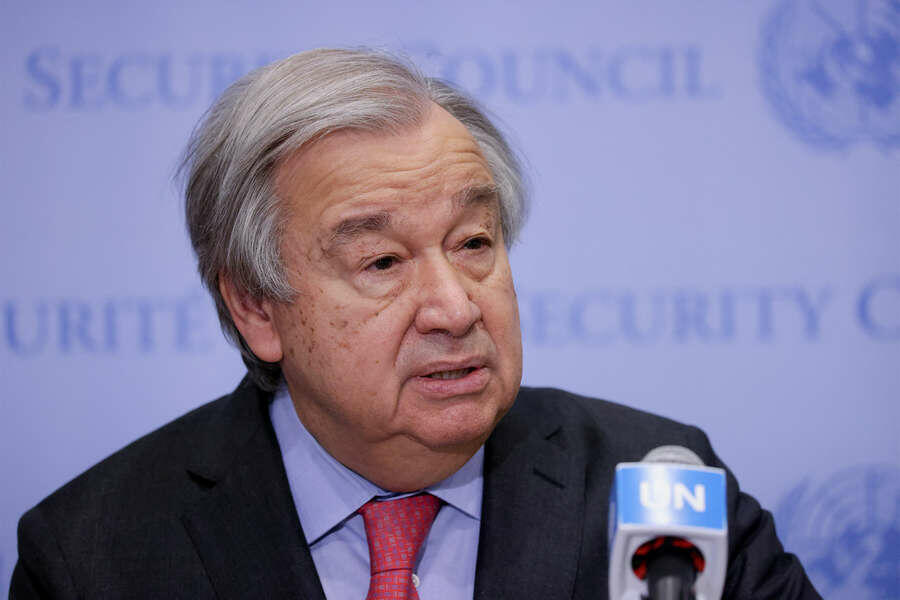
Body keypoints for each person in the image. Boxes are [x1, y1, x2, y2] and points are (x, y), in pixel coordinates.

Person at [10, 48, 820, 599]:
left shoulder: (658, 492)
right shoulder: (95, 555)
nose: (456, 308)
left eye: (474, 244)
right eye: (382, 262)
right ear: (256, 307)